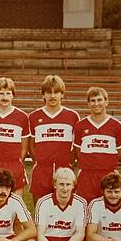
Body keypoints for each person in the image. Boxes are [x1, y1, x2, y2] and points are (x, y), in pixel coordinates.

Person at [27, 75, 80, 206]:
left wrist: (68, 161)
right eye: (48, 92)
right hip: (42, 170)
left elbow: (77, 146)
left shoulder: (72, 116)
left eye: (56, 92)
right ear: (43, 95)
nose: (52, 96)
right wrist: (40, 160)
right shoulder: (34, 116)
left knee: (66, 212)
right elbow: (31, 145)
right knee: (40, 210)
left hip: (65, 170)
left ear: (62, 95)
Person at [34, 168, 87, 241]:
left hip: (69, 240)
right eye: (61, 184)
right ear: (54, 184)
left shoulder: (80, 203)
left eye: (68, 184)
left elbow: (80, 233)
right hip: (49, 239)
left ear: (73, 185)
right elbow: (40, 233)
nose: (65, 188)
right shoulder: (43, 202)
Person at [73, 87, 121, 203]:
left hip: (108, 174)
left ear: (106, 102)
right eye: (92, 100)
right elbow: (78, 151)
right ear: (88, 104)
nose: (96, 104)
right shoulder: (80, 125)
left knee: (108, 208)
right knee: (84, 209)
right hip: (87, 174)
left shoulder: (116, 125)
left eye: (99, 100)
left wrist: (106, 164)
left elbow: (120, 154)